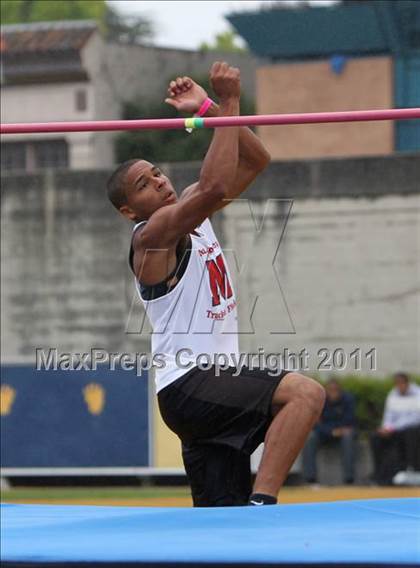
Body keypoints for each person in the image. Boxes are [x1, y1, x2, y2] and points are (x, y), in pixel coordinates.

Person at [107, 62, 325, 506]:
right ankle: (264, 506)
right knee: (305, 394)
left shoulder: (194, 210)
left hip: (207, 389)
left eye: (157, 173)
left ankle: (242, 524)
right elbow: (214, 184)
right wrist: (227, 102)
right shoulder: (151, 237)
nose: (159, 182)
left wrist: (208, 108)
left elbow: (256, 159)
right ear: (130, 211)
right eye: (143, 185)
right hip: (192, 383)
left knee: (219, 521)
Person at [302, 378, 356, 485]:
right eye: (330, 390)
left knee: (348, 437)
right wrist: (331, 431)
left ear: (340, 390)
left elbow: (350, 420)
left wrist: (339, 430)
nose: (333, 393)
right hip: (325, 433)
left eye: (336, 390)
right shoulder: (320, 400)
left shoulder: (348, 399)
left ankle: (349, 479)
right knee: (310, 437)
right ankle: (311, 478)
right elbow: (315, 422)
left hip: (342, 432)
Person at [370, 372, 420, 485]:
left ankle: (411, 468)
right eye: (397, 384)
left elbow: (416, 418)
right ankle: (379, 473)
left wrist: (394, 428)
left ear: (407, 383)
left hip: (412, 429)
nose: (399, 386)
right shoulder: (392, 394)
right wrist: (386, 428)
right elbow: (388, 416)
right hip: (395, 430)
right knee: (376, 437)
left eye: (401, 383)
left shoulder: (418, 393)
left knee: (411, 432)